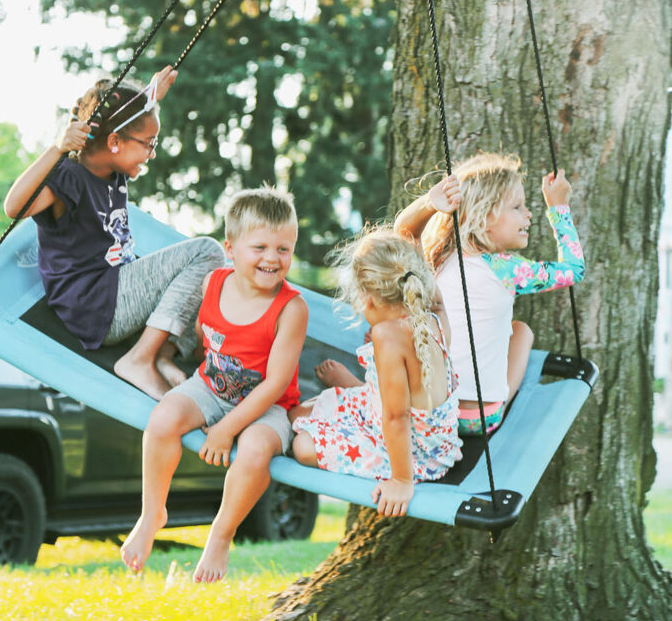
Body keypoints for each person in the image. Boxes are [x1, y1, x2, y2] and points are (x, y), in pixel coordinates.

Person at [317, 153, 585, 435]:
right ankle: (365, 392)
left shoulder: (437, 260)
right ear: (483, 218)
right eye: (517, 207)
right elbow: (573, 269)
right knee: (522, 331)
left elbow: (404, 230)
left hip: (427, 409)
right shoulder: (510, 270)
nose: (528, 214)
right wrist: (558, 207)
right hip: (478, 418)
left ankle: (365, 392)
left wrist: (430, 203)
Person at [120, 186, 308, 581]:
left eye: (283, 249)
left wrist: (226, 429)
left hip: (268, 406)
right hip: (209, 387)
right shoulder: (213, 283)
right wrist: (171, 365)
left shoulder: (291, 309)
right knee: (163, 418)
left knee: (255, 449)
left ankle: (221, 536)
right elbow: (204, 333)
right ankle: (151, 512)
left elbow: (274, 385)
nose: (272, 258)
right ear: (231, 248)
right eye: (259, 247)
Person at [4, 66, 225, 400]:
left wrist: (149, 98)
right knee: (207, 251)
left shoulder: (112, 169)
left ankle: (162, 357)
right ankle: (141, 359)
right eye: (149, 144)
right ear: (114, 142)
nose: (152, 153)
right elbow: (14, 208)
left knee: (218, 283)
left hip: (118, 293)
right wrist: (57, 148)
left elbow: (122, 124)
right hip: (97, 305)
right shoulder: (70, 177)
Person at [291, 228, 461, 518]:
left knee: (302, 445)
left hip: (414, 455)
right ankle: (351, 391)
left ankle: (349, 392)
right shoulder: (431, 317)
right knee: (297, 415)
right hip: (435, 443)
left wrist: (402, 481)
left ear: (366, 296)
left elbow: (397, 418)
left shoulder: (387, 336)